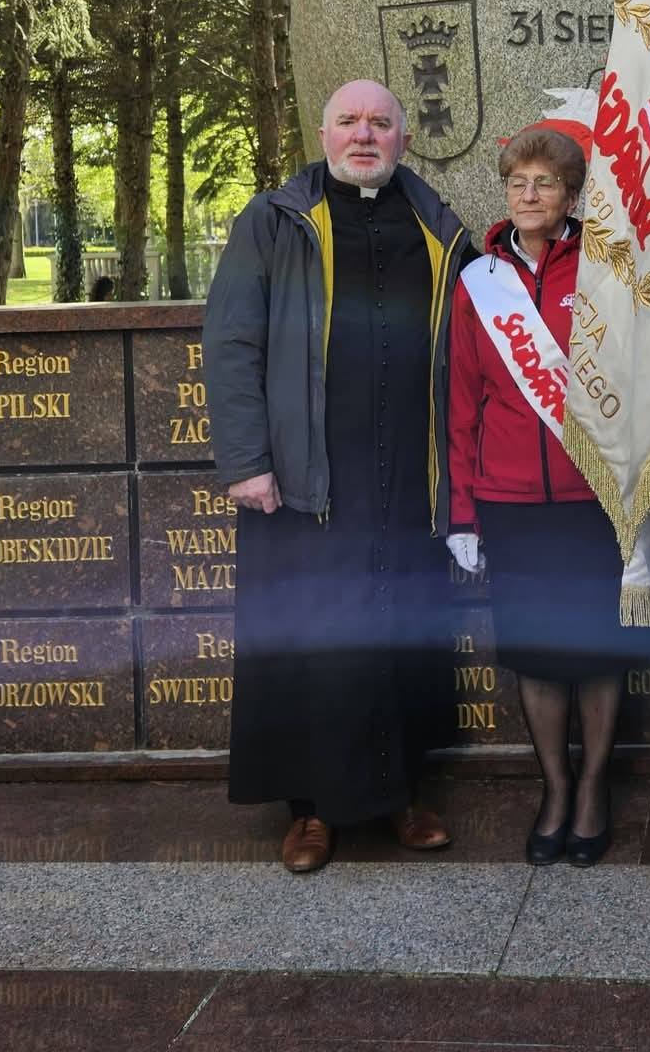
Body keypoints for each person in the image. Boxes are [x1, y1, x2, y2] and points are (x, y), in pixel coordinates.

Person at [203, 79, 475, 875]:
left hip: (407, 479)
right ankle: (311, 810)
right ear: (322, 136)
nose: (364, 135)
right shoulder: (275, 220)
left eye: (380, 123)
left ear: (403, 140)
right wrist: (247, 462)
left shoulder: (439, 227)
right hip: (304, 482)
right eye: (349, 122)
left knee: (401, 634)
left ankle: (402, 796)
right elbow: (231, 343)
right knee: (312, 642)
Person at [445, 126, 650, 867]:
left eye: (545, 182)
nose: (529, 194)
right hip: (512, 502)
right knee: (537, 657)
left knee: (599, 653)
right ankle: (556, 788)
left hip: (597, 499)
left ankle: (594, 789)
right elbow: (463, 404)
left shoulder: (609, 269)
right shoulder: (480, 282)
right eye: (518, 182)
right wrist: (463, 513)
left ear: (573, 196)